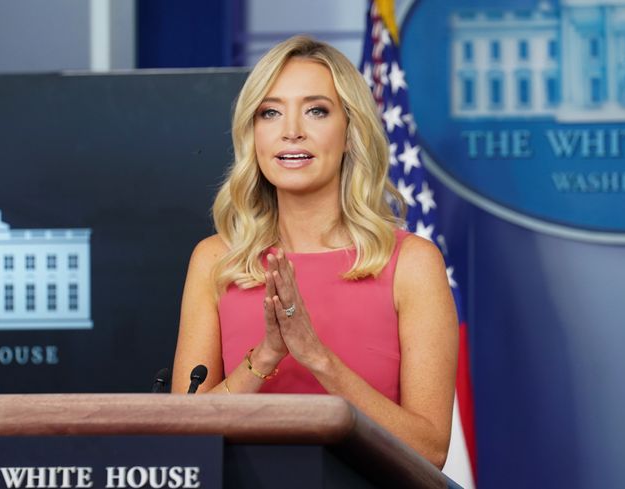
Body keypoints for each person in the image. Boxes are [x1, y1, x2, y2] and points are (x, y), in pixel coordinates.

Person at [172, 35, 457, 469]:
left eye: (316, 110)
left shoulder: (411, 263)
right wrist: (265, 357)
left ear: (350, 131)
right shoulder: (216, 260)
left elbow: (430, 450)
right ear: (253, 135)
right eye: (270, 112)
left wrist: (316, 358)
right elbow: (180, 434)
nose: (291, 130)